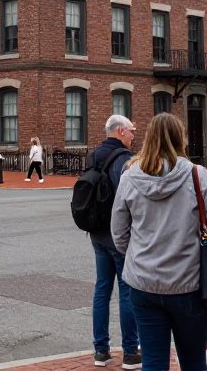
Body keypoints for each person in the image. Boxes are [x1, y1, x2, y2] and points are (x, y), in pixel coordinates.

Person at [113, 113, 207, 371]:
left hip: (143, 284)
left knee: (153, 362)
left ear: (148, 138)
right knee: (193, 361)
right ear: (180, 139)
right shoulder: (198, 176)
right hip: (189, 285)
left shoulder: (130, 176)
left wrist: (141, 252)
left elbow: (119, 236)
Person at [86, 115, 140, 368]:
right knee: (126, 291)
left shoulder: (93, 155)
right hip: (117, 236)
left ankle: (101, 351)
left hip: (96, 232)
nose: (133, 136)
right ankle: (130, 352)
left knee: (102, 290)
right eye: (131, 131)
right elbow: (126, 201)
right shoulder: (123, 160)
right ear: (120, 131)